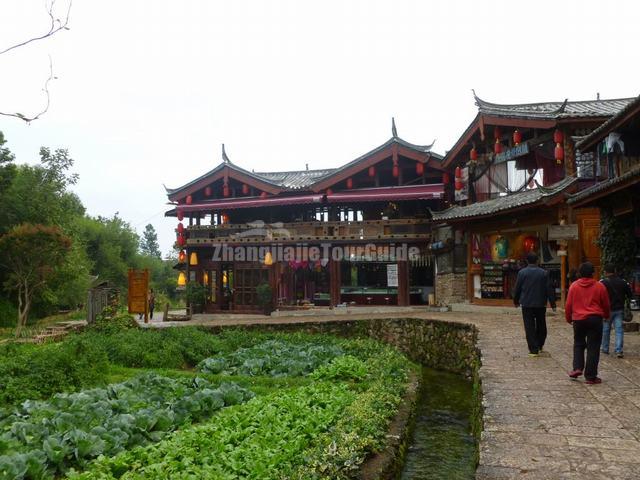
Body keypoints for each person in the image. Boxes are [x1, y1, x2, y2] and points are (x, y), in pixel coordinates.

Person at [565, 262, 610, 385]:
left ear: (579, 273)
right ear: (593, 273)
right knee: (593, 347)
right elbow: (606, 304)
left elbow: (568, 304)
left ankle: (577, 368)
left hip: (578, 319)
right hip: (595, 319)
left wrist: (569, 318)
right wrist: (606, 315)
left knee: (578, 343)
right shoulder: (599, 286)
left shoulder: (574, 286)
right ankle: (590, 376)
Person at [513, 252, 557, 357]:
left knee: (529, 326)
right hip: (540, 303)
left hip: (527, 303)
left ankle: (533, 350)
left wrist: (516, 300)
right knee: (541, 324)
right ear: (537, 260)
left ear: (527, 261)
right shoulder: (544, 273)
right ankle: (540, 345)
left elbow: (517, 288)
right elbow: (549, 289)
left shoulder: (522, 273)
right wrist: (553, 303)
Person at [600, 264, 632, 358]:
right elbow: (629, 295)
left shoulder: (602, 283)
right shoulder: (623, 282)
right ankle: (619, 350)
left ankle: (605, 349)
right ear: (615, 271)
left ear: (605, 272)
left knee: (606, 330)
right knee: (619, 330)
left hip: (607, 310)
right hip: (619, 309)